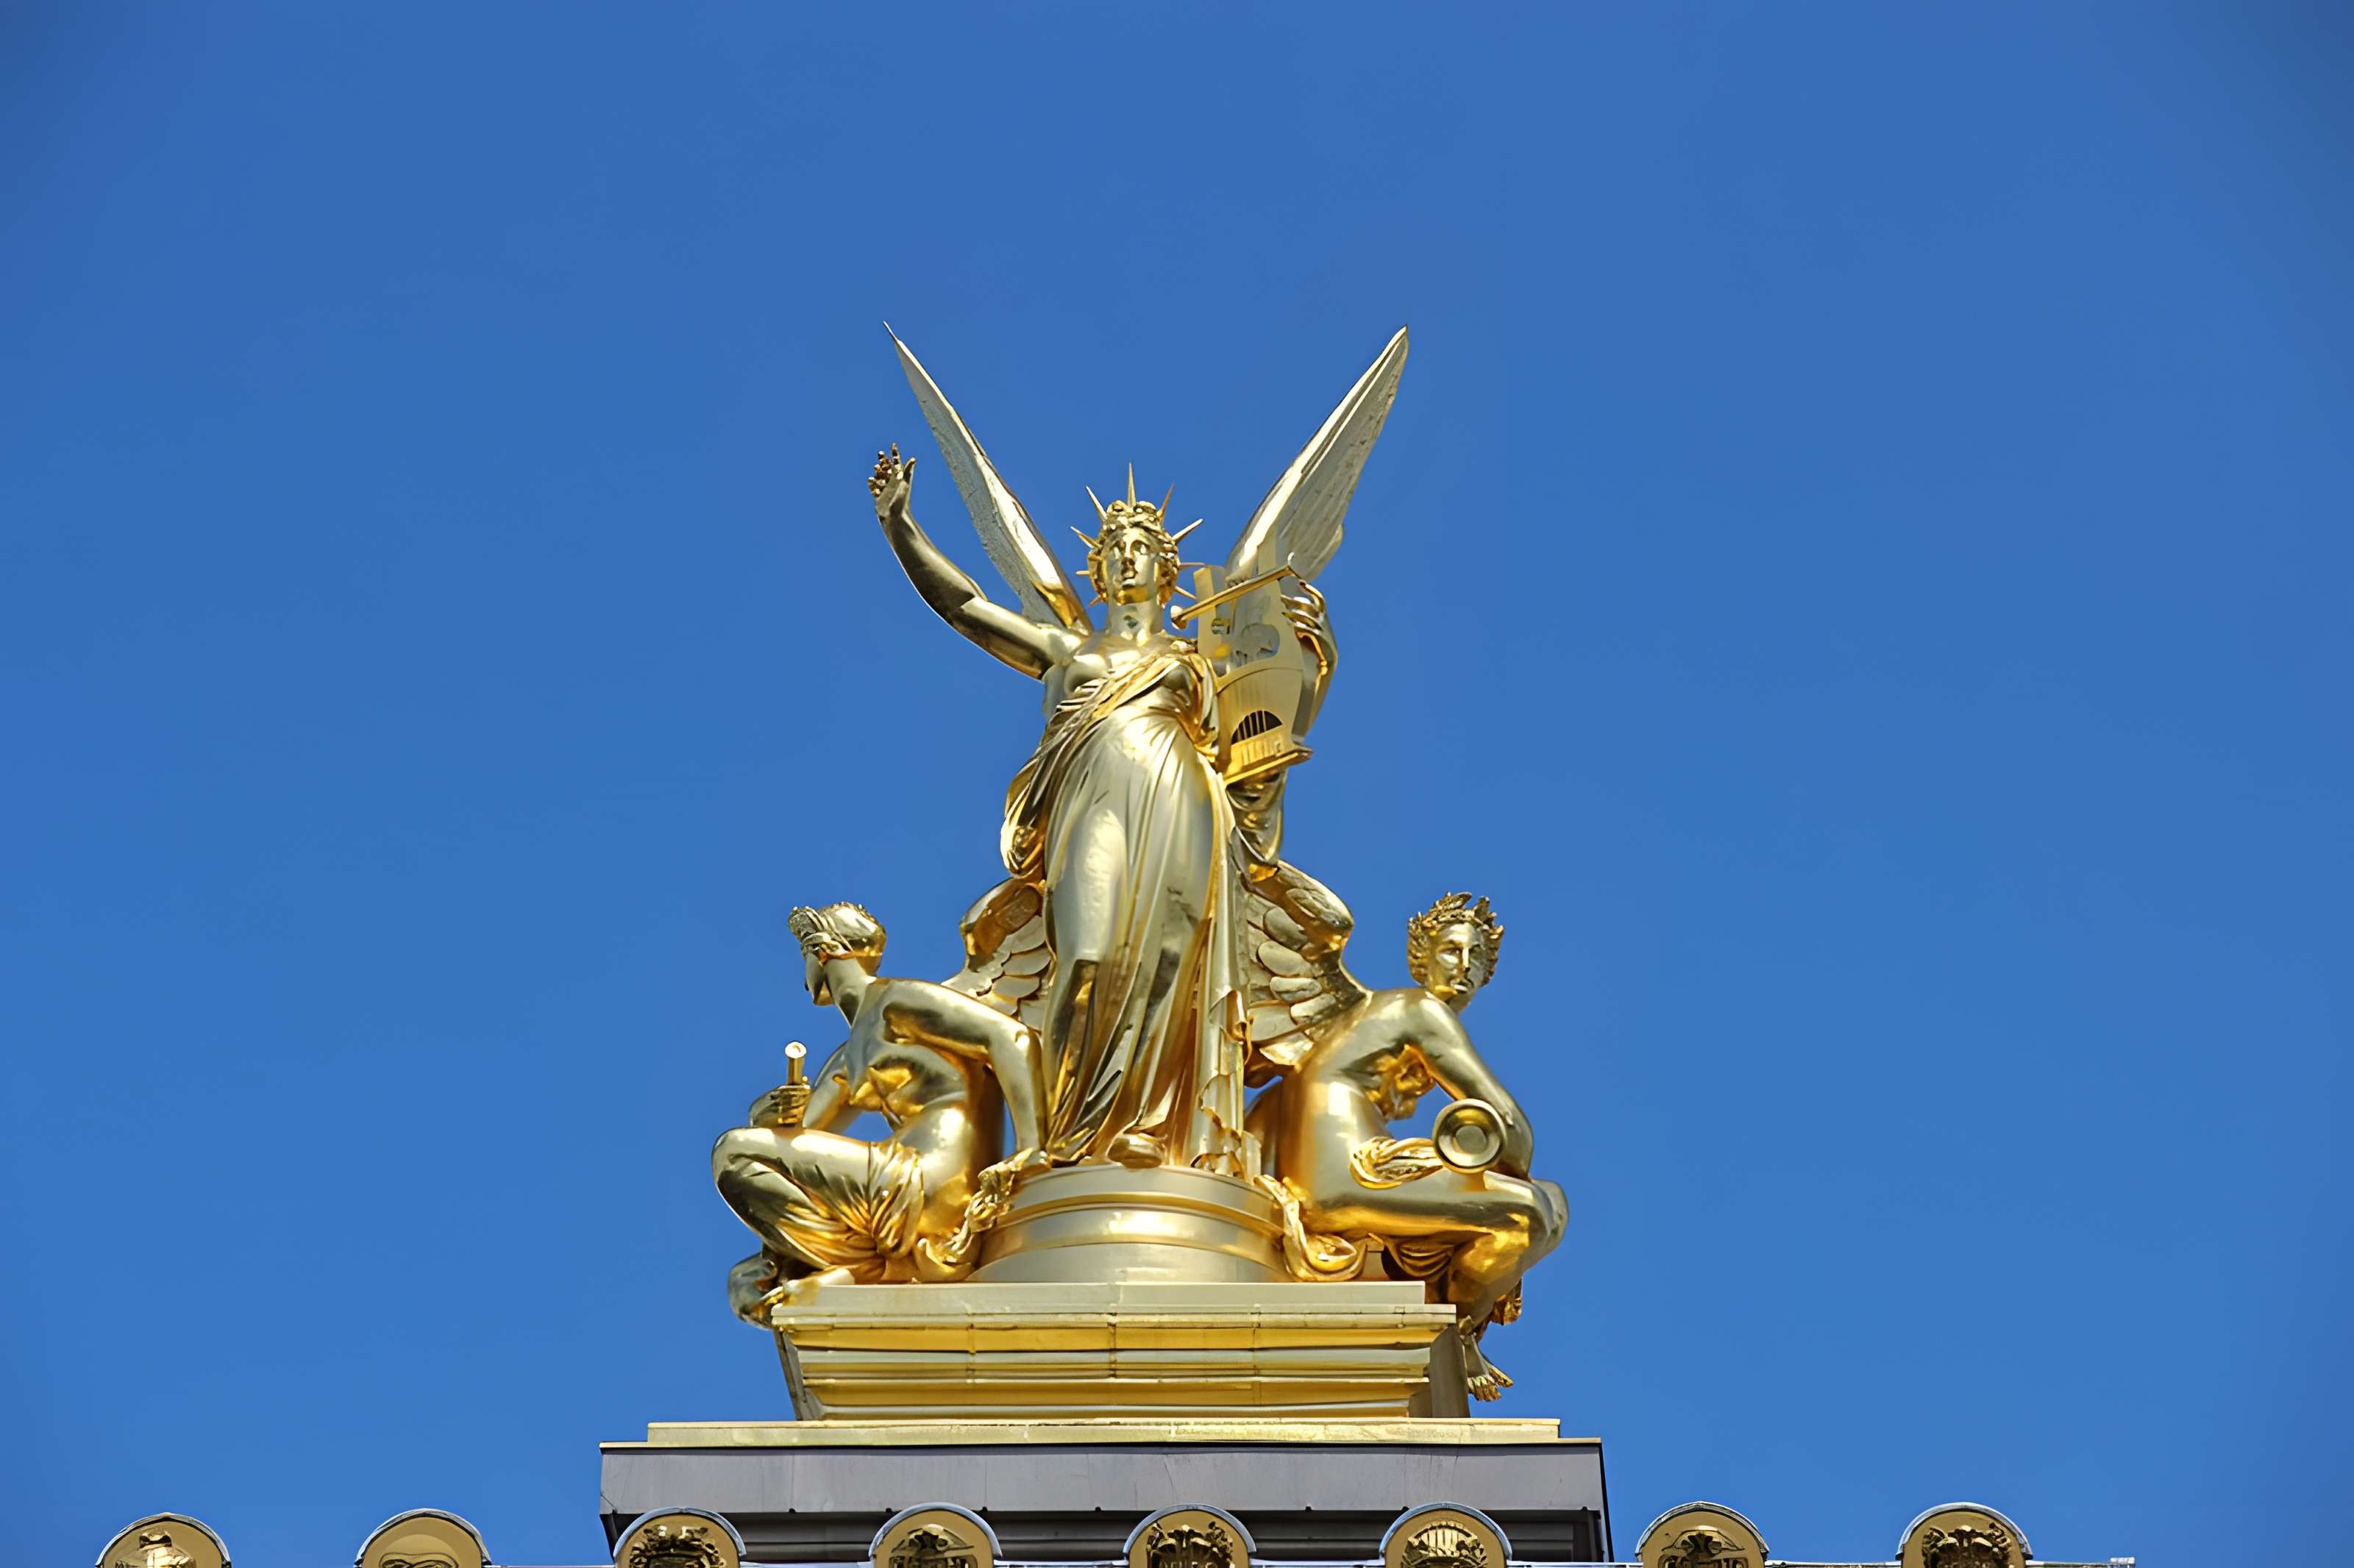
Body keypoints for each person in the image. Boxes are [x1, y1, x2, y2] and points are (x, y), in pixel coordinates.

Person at [1251, 894, 1566, 1397]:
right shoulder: (1419, 1011)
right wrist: (1507, 1158)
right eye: (1450, 952)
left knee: (1550, 1203)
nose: (1463, 968)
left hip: (1353, 1164)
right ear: (1421, 956)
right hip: (1344, 1176)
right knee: (1527, 1212)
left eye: (1476, 958)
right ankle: (1457, 1327)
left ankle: (1455, 1316)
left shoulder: (1374, 1015)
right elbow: (1512, 1129)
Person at [712, 902, 1045, 1319]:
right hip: (900, 1183)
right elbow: (795, 1137)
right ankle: (867, 1269)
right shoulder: (846, 1058)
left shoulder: (896, 1000)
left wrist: (1031, 1151)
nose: (805, 975)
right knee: (749, 1276)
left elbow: (1013, 1038)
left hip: (932, 1176)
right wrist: (766, 1113)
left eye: (805, 958)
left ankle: (862, 1266)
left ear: (823, 952)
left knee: (733, 1152)